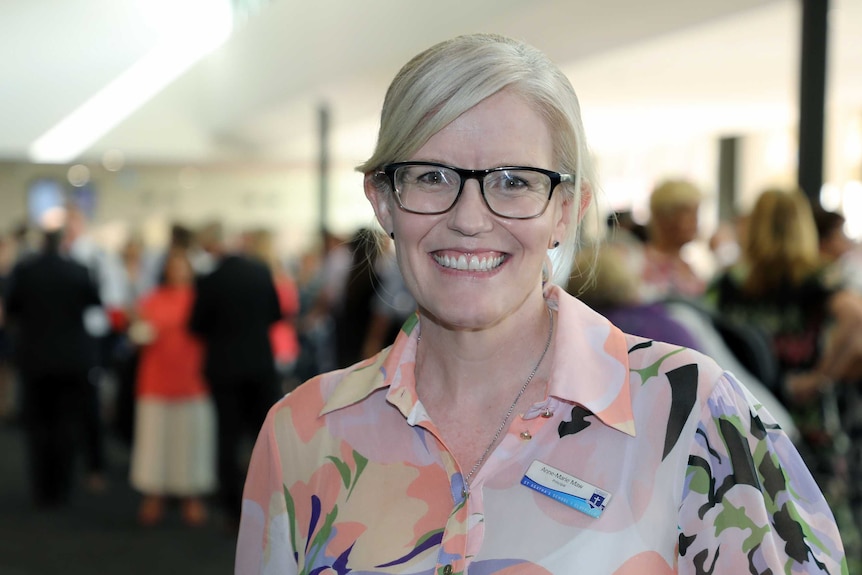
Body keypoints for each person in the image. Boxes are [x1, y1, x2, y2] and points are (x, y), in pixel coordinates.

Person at [236, 34, 846, 574]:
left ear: (565, 210)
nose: (469, 219)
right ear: (382, 201)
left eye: (513, 181)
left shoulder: (688, 413)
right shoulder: (304, 434)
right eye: (430, 176)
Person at [188, 221, 282, 529]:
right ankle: (270, 503)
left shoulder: (209, 279)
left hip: (224, 368)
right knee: (264, 436)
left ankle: (233, 510)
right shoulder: (260, 272)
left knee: (226, 439)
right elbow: (276, 314)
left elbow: (196, 326)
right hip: (260, 365)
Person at [3, 228, 101, 507]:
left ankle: (42, 489)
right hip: (72, 360)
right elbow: (95, 302)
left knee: (38, 427)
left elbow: (12, 309)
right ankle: (62, 487)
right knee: (67, 424)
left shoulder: (25, 270)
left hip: (35, 359)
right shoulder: (79, 270)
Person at [129, 248, 216, 527]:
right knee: (155, 440)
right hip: (156, 378)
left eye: (182, 265)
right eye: (173, 266)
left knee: (191, 441)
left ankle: (191, 496)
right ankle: (155, 494)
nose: (178, 271)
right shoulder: (151, 299)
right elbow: (138, 334)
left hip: (192, 378)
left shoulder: (202, 300)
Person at [637, 179, 707, 302]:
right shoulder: (641, 265)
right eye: (687, 213)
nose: (695, 221)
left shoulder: (686, 266)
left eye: (696, 213)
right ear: (663, 218)